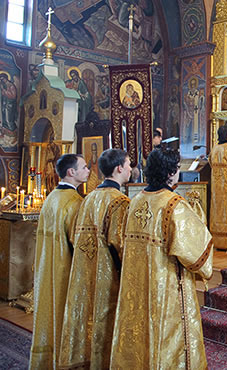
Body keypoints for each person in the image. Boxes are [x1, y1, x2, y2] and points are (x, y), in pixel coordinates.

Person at [110, 147, 214, 369]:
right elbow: (195, 251)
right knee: (166, 334)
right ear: (170, 173)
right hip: (166, 288)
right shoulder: (174, 205)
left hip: (136, 284)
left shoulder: (134, 201)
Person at [58, 149, 131, 369]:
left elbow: (74, 237)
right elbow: (121, 245)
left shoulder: (88, 198)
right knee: (106, 320)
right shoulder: (120, 202)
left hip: (85, 270)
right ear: (119, 168)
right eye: (128, 164)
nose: (130, 169)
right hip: (109, 276)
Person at [30, 154, 90, 369]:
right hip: (65, 271)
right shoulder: (74, 203)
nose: (88, 171)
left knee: (49, 316)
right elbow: (79, 245)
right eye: (84, 167)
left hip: (47, 269)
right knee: (64, 317)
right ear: (71, 172)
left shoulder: (51, 198)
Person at [209, 125, 227, 250]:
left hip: (216, 188)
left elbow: (210, 162)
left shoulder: (214, 149)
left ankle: (217, 240)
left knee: (217, 210)